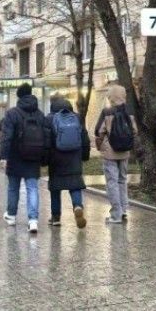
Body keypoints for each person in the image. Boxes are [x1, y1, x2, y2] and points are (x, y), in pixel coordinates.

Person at [0, 83, 49, 234]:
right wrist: (44, 157)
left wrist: (3, 156)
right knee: (32, 188)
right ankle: (33, 221)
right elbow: (46, 136)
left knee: (13, 187)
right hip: (34, 157)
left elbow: (7, 137)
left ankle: (11, 216)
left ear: (19, 96)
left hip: (15, 156)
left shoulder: (12, 113)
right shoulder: (40, 114)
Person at [94, 84, 137, 224]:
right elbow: (134, 131)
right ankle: (123, 210)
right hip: (125, 152)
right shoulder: (129, 111)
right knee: (122, 180)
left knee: (112, 182)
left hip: (109, 153)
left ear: (110, 97)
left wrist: (102, 144)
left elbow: (98, 131)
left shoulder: (107, 112)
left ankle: (116, 214)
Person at [45, 95, 90, 228]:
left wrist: (45, 159)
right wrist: (85, 156)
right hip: (74, 158)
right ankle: (77, 206)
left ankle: (56, 217)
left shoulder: (49, 119)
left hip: (56, 159)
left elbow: (46, 142)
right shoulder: (76, 118)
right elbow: (85, 138)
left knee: (55, 188)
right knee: (75, 186)